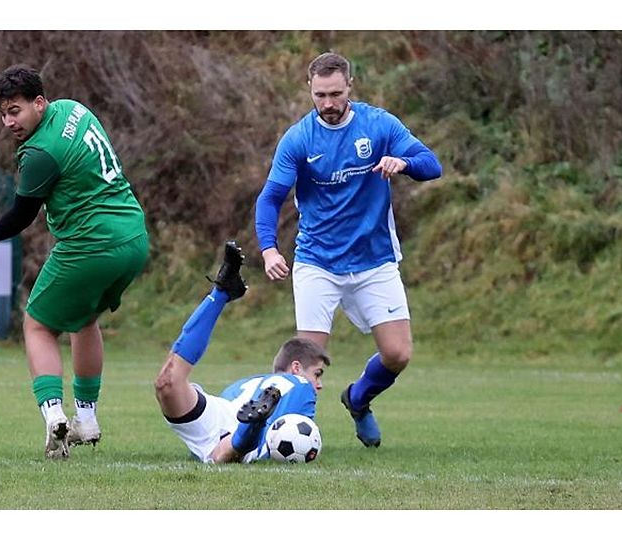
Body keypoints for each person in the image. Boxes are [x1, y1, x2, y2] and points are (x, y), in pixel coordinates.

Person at [254, 52, 442, 448]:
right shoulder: (299, 138)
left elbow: (431, 165)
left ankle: (358, 399)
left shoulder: (379, 125)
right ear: (310, 89)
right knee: (307, 361)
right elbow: (271, 198)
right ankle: (291, 438)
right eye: (320, 95)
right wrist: (269, 250)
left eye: (336, 94)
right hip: (317, 261)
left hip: (375, 260)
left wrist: (403, 163)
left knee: (398, 354)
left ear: (350, 87)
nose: (328, 103)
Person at [0, 65, 149, 459]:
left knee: (37, 325)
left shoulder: (39, 153)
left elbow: (21, 216)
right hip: (134, 237)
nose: (8, 122)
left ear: (38, 103)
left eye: (14, 111)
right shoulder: (73, 109)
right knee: (84, 319)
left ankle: (54, 415)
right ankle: (87, 416)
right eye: (2, 113)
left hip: (91, 245)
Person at [154, 241, 329, 463]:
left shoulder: (245, 384)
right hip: (230, 418)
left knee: (166, 384)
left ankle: (221, 292)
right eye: (317, 373)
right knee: (169, 388)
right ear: (296, 367)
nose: (319, 384)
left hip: (224, 418)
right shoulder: (300, 385)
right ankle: (248, 432)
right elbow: (282, 437)